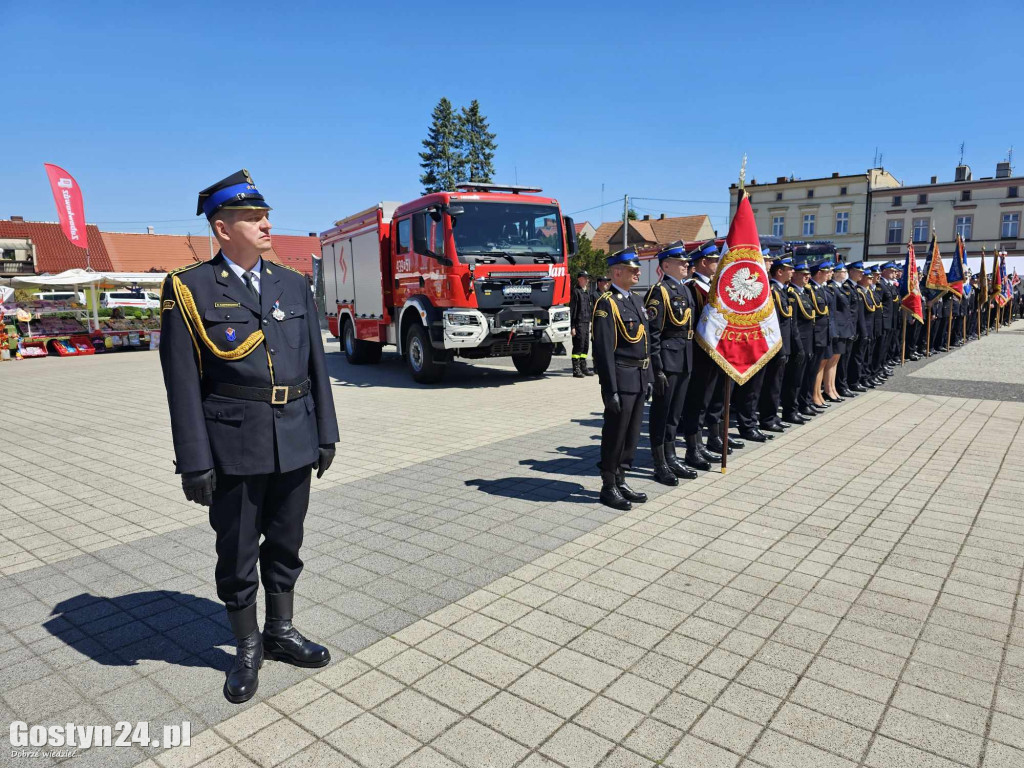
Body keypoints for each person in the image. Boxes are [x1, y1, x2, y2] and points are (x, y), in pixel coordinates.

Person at [159, 170, 340, 704]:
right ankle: (245, 646)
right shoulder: (189, 289)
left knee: (287, 542)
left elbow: (316, 364)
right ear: (221, 229)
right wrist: (194, 460)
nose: (266, 224)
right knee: (236, 550)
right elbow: (182, 383)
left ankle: (279, 632)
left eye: (265, 216)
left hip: (295, 437)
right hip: (234, 444)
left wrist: (325, 431)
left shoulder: (292, 282)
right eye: (251, 218)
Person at [592, 247, 653, 510]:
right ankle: (608, 485)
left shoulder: (637, 301)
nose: (638, 272)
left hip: (639, 377)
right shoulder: (607, 303)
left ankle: (621, 478)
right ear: (617, 272)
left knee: (631, 435)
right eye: (632, 269)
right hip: (621, 377)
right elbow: (604, 350)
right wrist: (609, 389)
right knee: (615, 433)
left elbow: (646, 342)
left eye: (637, 268)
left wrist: (648, 376)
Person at [644, 241, 697, 485]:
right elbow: (653, 334)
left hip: (684, 357)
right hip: (667, 360)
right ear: (666, 265)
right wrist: (657, 369)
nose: (686, 264)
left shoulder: (685, 290)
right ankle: (659, 463)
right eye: (680, 261)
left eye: (686, 261)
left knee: (675, 415)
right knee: (661, 414)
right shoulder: (660, 291)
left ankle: (671, 456)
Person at [679, 240, 724, 470]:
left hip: (714, 353)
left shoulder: (714, 286)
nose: (719, 263)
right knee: (695, 403)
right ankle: (692, 448)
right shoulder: (693, 287)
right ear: (704, 262)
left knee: (706, 401)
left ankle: (700, 443)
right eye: (715, 260)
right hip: (699, 353)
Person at [758, 256, 796, 433]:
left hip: (783, 344)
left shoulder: (782, 290)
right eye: (789, 269)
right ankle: (767, 418)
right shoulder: (772, 290)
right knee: (771, 384)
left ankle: (773, 416)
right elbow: (773, 323)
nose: (793, 272)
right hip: (775, 345)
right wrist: (779, 347)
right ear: (780, 272)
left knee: (777, 383)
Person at [569, 270, 593, 377]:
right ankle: (576, 369)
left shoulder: (586, 292)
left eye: (587, 278)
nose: (587, 280)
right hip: (578, 323)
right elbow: (573, 310)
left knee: (585, 346)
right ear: (580, 279)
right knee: (578, 346)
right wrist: (572, 326)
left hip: (586, 323)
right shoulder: (576, 291)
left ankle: (583, 367)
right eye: (585, 278)